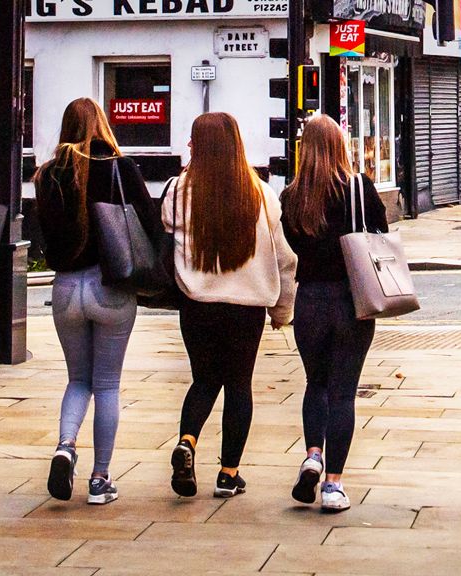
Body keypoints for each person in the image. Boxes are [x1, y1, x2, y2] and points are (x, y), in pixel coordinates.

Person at [33, 98, 161, 505]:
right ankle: (100, 479)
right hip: (111, 289)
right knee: (107, 385)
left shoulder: (47, 174)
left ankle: (65, 446)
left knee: (78, 380)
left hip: (67, 288)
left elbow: (45, 239)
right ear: (102, 125)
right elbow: (151, 224)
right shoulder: (120, 168)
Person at [164, 112, 297, 500]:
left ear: (196, 145)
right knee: (239, 384)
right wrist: (282, 311)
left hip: (197, 303)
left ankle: (187, 442)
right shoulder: (260, 194)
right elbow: (285, 259)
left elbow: (165, 239)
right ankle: (228, 473)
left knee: (204, 379)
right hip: (246, 307)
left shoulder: (179, 190)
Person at [280, 115, 388, 513]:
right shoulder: (359, 188)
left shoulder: (291, 197)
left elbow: (292, 245)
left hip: (308, 300)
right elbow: (380, 233)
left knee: (315, 384)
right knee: (343, 392)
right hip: (351, 301)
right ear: (340, 146)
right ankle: (333, 486)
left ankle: (312, 454)